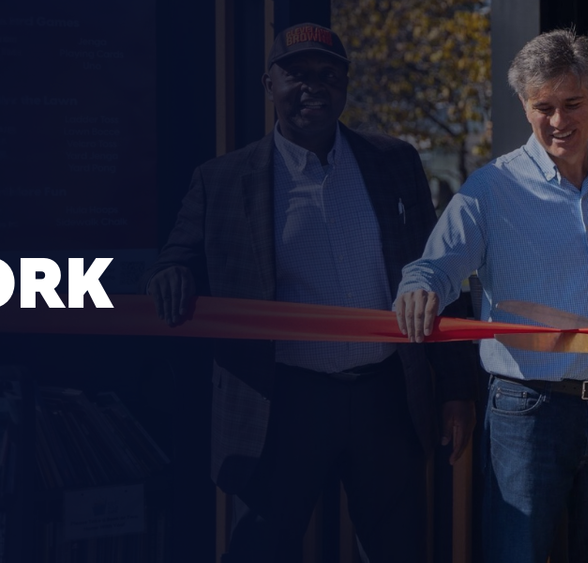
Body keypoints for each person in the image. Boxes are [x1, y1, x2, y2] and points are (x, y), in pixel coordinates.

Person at [143, 23, 477, 563]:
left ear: (345, 84)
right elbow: (174, 259)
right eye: (296, 74)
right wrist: (172, 274)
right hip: (283, 402)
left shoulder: (394, 162)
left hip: (384, 395)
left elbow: (436, 270)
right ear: (268, 84)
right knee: (261, 550)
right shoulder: (222, 179)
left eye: (328, 75)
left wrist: (457, 388)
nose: (313, 87)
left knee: (399, 550)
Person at [394, 29, 588, 563]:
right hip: (527, 414)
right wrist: (419, 287)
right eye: (542, 107)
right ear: (524, 107)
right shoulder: (490, 189)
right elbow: (434, 267)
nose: (558, 120)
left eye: (572, 103)